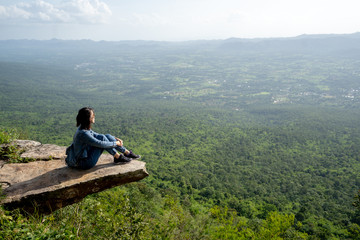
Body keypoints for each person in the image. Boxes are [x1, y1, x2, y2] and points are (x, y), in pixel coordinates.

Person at [70, 107, 140, 170]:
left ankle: (127, 153)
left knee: (106, 136)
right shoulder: (83, 133)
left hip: (85, 155)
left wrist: (114, 138)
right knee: (102, 140)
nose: (94, 116)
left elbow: (98, 135)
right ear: (88, 118)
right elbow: (100, 144)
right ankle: (117, 157)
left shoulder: (84, 128)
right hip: (83, 163)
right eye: (92, 115)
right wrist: (115, 143)